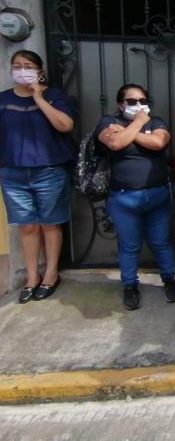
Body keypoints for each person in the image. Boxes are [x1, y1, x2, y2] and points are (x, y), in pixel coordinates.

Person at [95, 84, 175, 310]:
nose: (139, 105)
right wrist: (139, 124)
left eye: (142, 100)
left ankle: (169, 279)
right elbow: (115, 143)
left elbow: (159, 142)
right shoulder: (107, 122)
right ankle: (130, 285)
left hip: (157, 194)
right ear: (120, 104)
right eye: (132, 101)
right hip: (123, 197)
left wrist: (129, 132)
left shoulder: (157, 121)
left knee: (161, 241)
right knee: (129, 245)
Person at [0, 50, 75, 304]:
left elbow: (65, 126)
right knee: (27, 226)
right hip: (12, 172)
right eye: (17, 66)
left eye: (28, 65)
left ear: (39, 70)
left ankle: (51, 274)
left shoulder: (54, 96)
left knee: (50, 223)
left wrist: (39, 97)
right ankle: (32, 277)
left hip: (48, 170)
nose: (22, 70)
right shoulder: (3, 100)